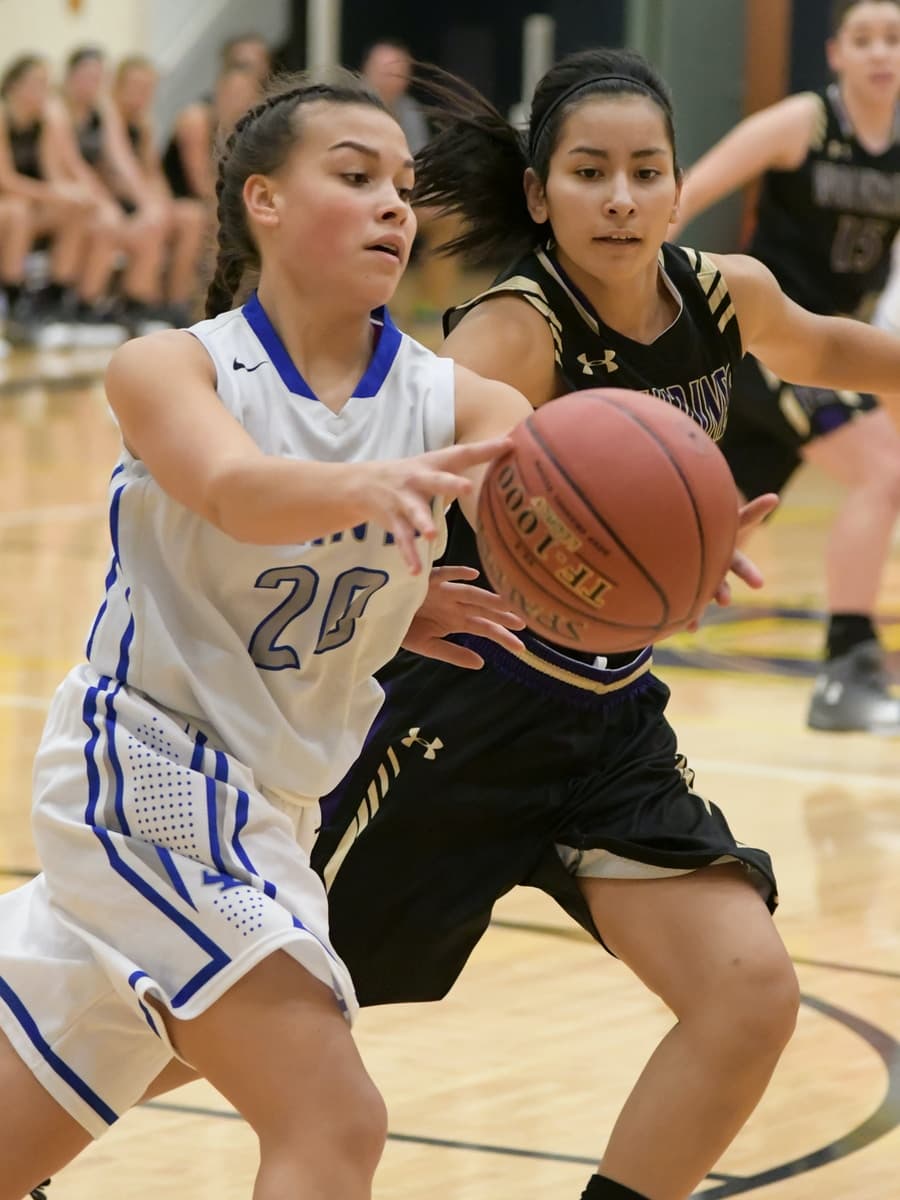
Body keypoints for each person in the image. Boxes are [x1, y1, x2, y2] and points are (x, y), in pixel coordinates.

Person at [311, 48, 900, 1200]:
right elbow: (386, 493)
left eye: (645, 170)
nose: (620, 197)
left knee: (746, 997)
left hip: (604, 720)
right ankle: (31, 1114)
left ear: (681, 186)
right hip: (453, 715)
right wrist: (426, 582)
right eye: (588, 172)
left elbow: (834, 350)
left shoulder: (726, 295)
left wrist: (672, 553)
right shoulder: (514, 333)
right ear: (541, 194)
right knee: (273, 1010)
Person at [0, 71, 532, 1200]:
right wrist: (383, 503)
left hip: (274, 806)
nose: (395, 204)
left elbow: (546, 481)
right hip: (143, 774)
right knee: (334, 1122)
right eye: (355, 177)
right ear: (263, 203)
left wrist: (645, 545)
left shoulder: (448, 394)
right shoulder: (174, 366)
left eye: (403, 184)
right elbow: (237, 493)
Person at [672, 0, 900, 732]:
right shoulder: (805, 122)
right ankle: (847, 668)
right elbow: (687, 192)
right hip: (766, 335)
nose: (878, 53)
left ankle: (587, 651)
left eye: (893, 38)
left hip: (832, 349)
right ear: (834, 53)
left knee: (707, 533)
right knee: (884, 471)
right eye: (862, 39)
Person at [0, 54, 119, 349]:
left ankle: (54, 299)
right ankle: (12, 302)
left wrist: (81, 196)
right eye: (36, 83)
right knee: (19, 211)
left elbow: (55, 171)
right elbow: (6, 181)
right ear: (14, 85)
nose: (43, 90)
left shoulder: (46, 120)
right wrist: (55, 194)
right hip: (10, 204)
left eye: (46, 83)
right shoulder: (3, 116)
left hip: (27, 203)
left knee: (75, 210)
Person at [61, 46, 171, 337]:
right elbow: (76, 167)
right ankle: (82, 305)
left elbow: (132, 165)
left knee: (154, 223)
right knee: (107, 223)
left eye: (148, 87)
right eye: (136, 85)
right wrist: (108, 201)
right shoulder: (58, 112)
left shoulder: (134, 121)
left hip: (100, 199)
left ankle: (136, 306)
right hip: (76, 199)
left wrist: (152, 204)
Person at [361, 40, 462, 318]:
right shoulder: (351, 109)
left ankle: (429, 306)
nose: (390, 79)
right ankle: (367, 306)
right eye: (384, 70)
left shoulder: (409, 111)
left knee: (449, 216)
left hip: (399, 197)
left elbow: (415, 164)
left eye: (398, 72)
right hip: (358, 200)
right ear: (367, 71)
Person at [113, 56, 207, 325]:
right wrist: (154, 206)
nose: (142, 95)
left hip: (138, 200)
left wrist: (163, 202)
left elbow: (153, 174)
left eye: (147, 88)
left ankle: (175, 303)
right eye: (135, 87)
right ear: (117, 86)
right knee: (155, 221)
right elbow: (122, 172)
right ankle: (139, 301)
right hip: (117, 203)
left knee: (191, 216)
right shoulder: (109, 116)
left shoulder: (143, 124)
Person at [162, 65, 262, 203]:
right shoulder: (197, 119)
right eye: (235, 93)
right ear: (219, 91)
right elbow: (199, 182)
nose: (241, 101)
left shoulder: (246, 125)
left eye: (247, 95)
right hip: (180, 199)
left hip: (211, 197)